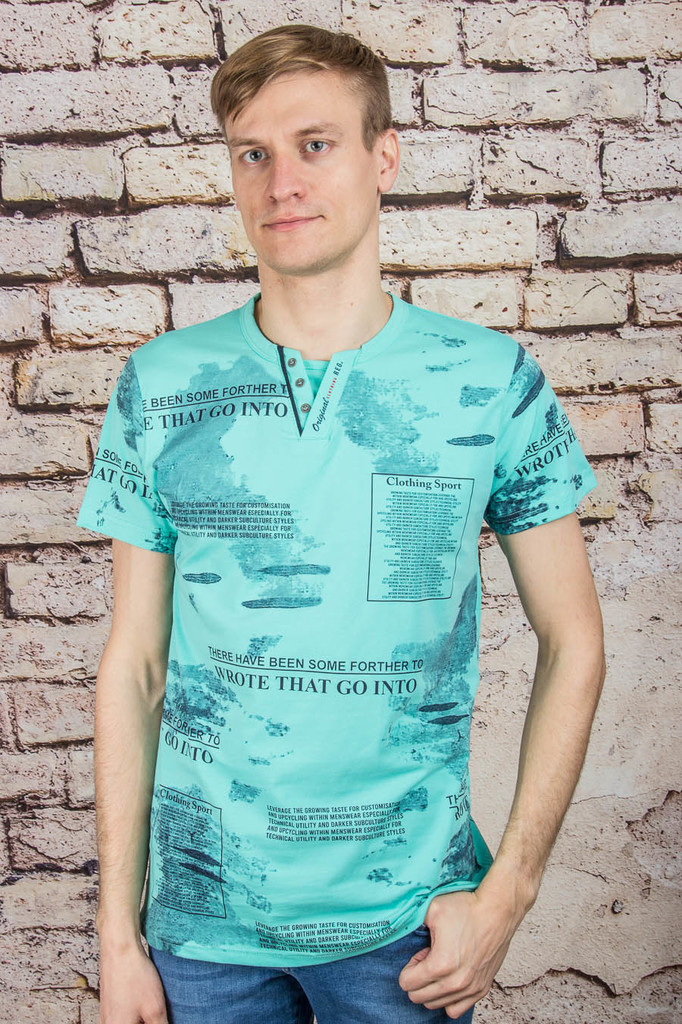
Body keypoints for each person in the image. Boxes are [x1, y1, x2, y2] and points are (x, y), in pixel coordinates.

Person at [76, 23, 606, 1024]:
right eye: (253, 154)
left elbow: (574, 638)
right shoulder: (160, 384)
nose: (281, 182)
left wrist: (509, 894)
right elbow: (134, 664)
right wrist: (116, 934)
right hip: (199, 934)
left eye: (314, 145)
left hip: (407, 927)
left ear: (383, 158)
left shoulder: (492, 381)